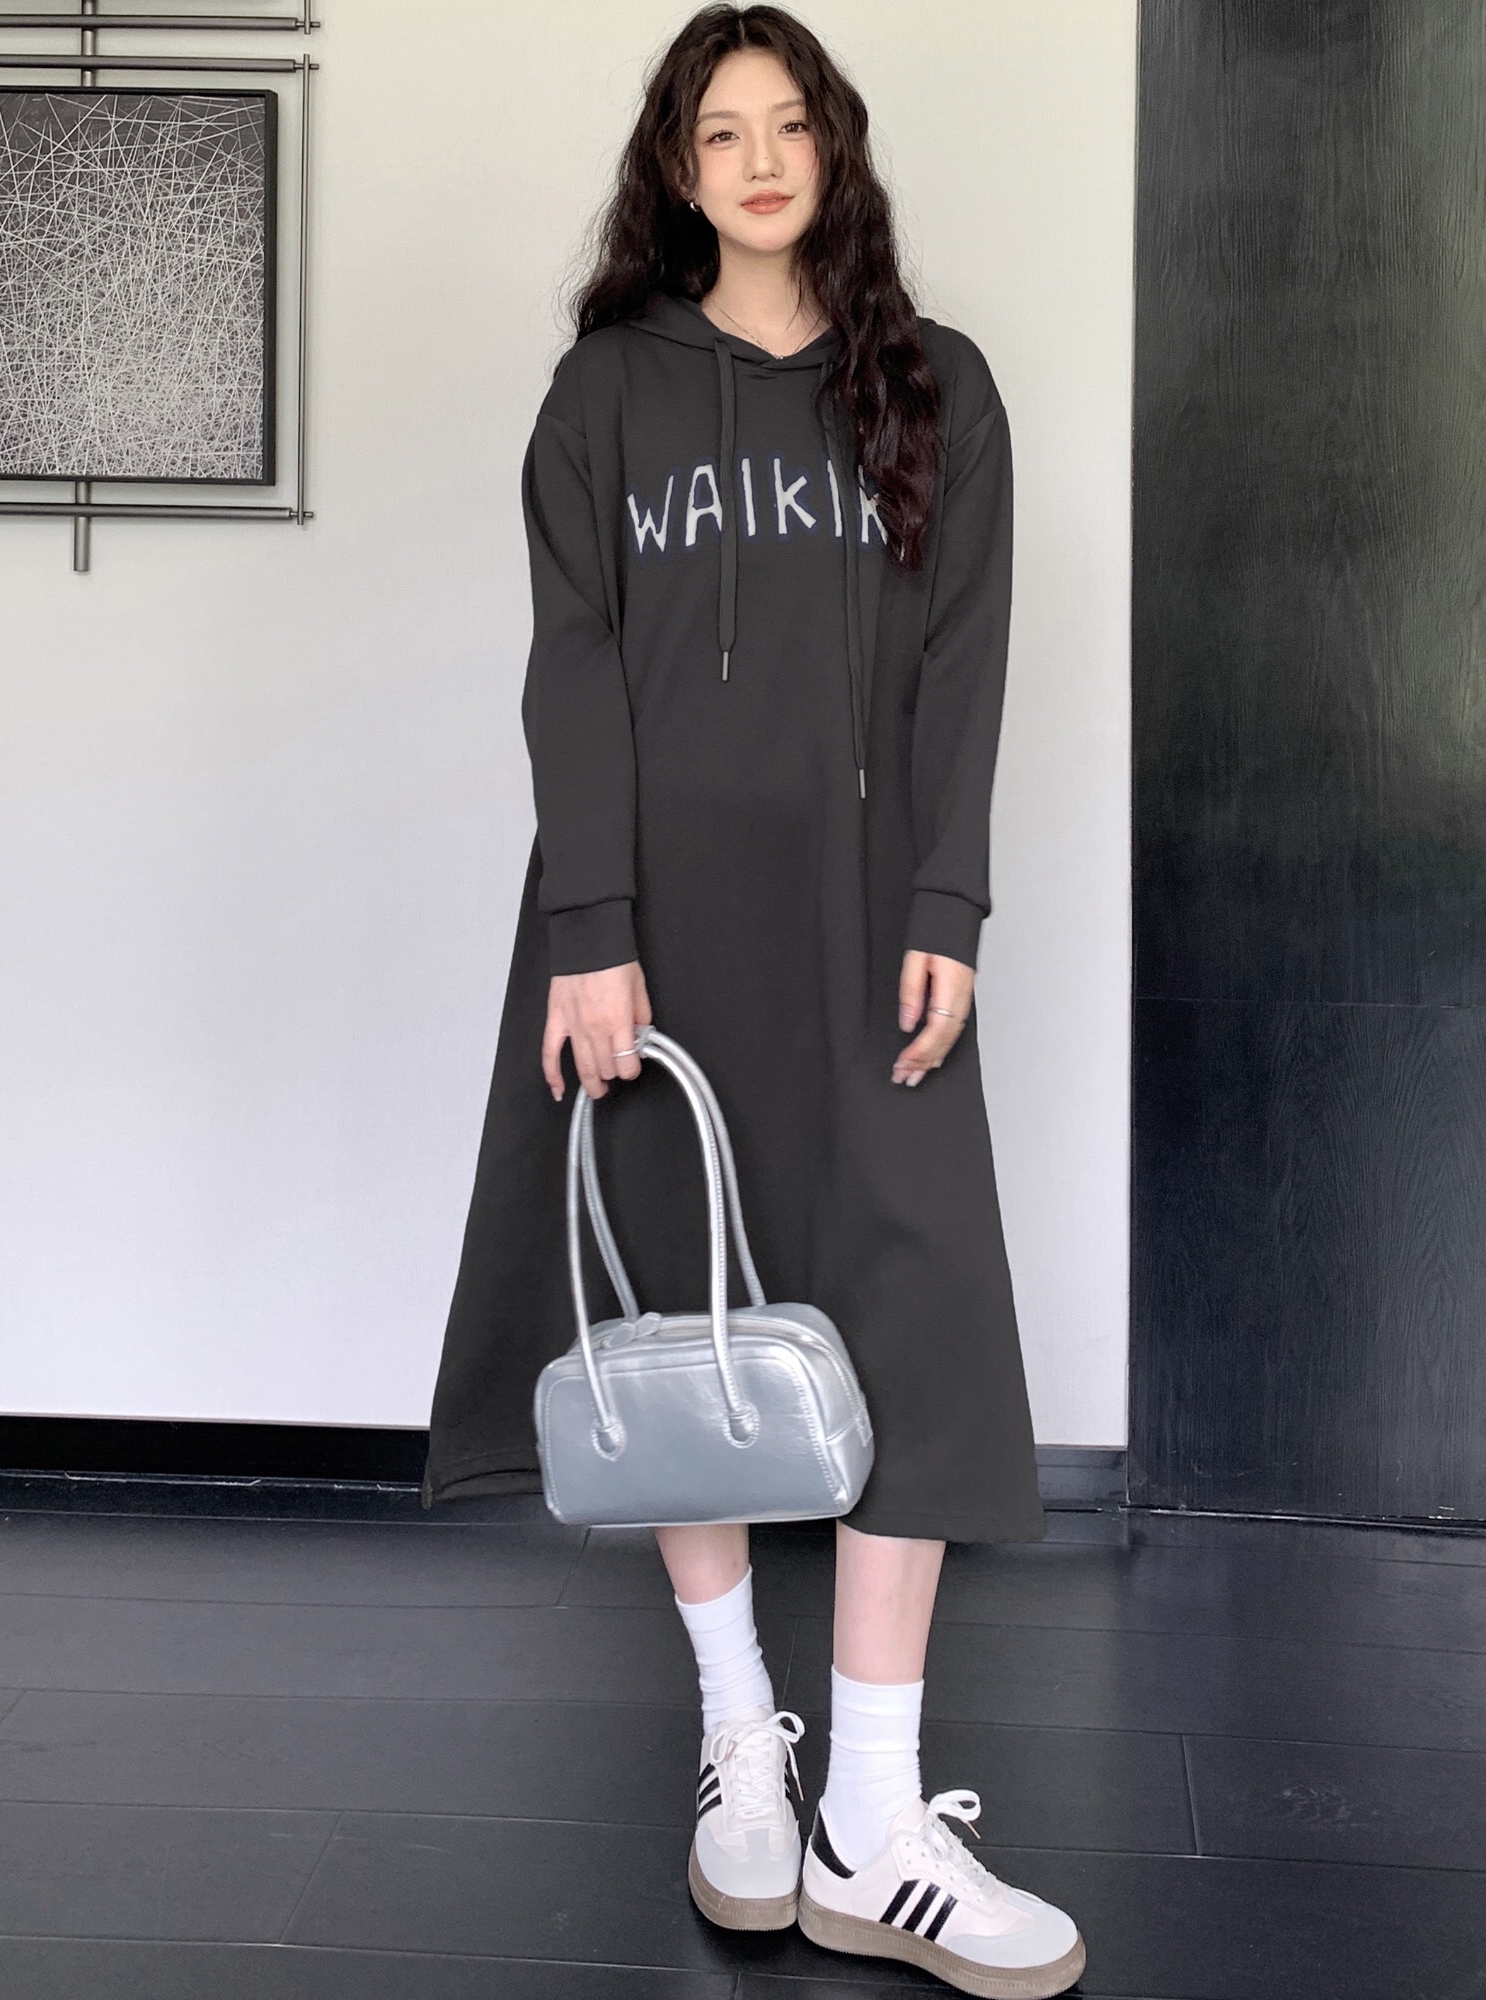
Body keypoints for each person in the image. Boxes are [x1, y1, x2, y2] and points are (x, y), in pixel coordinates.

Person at [421, 7, 1085, 1994]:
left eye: (792, 124)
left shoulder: (935, 386)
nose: (763, 158)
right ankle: (742, 1746)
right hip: (654, 926)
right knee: (677, 1328)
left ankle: (875, 1817)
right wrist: (589, 924)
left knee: (914, 1315)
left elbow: (965, 662)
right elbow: (571, 668)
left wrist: (952, 897)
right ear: (678, 168)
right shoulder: (605, 396)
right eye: (723, 131)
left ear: (834, 150)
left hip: (872, 913)